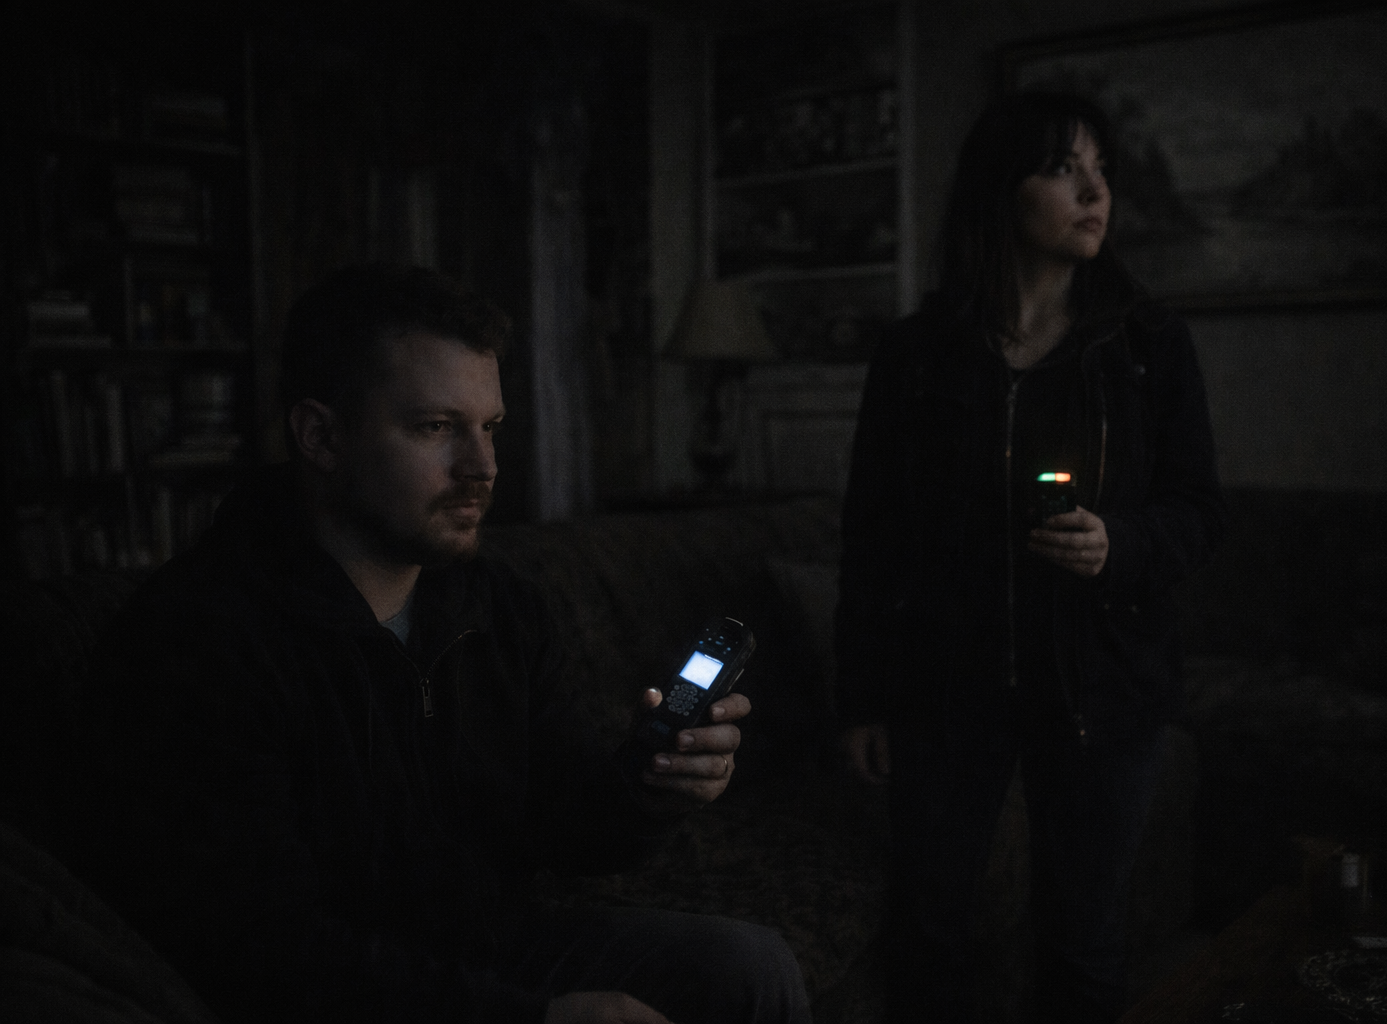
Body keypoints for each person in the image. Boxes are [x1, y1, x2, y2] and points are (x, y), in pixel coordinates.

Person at [62, 265, 811, 1024]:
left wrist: (652, 790)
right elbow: (261, 951)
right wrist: (532, 1019)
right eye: (435, 428)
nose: (482, 468)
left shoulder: (497, 606)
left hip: (485, 945)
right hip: (343, 987)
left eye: (490, 428)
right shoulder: (197, 639)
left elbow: (568, 825)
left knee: (745, 969)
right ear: (320, 436)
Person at [835, 92, 1225, 1022]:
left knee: (1083, 942)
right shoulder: (917, 355)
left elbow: (1198, 513)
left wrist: (1118, 542)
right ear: (1000, 190)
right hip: (946, 688)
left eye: (1102, 172)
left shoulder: (1147, 346)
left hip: (1103, 689)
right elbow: (874, 536)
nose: (1095, 193)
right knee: (930, 932)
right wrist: (862, 698)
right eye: (1063, 169)